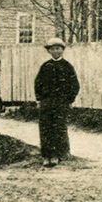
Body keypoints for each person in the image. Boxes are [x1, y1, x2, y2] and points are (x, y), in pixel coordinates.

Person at [34, 37, 80, 167]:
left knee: (59, 127)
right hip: (46, 102)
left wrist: (69, 99)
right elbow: (38, 83)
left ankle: (58, 155)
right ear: (49, 51)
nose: (56, 51)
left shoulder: (67, 66)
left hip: (61, 102)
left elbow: (74, 85)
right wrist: (39, 99)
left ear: (62, 50)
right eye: (53, 49)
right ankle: (46, 155)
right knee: (45, 128)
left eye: (58, 48)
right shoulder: (45, 66)